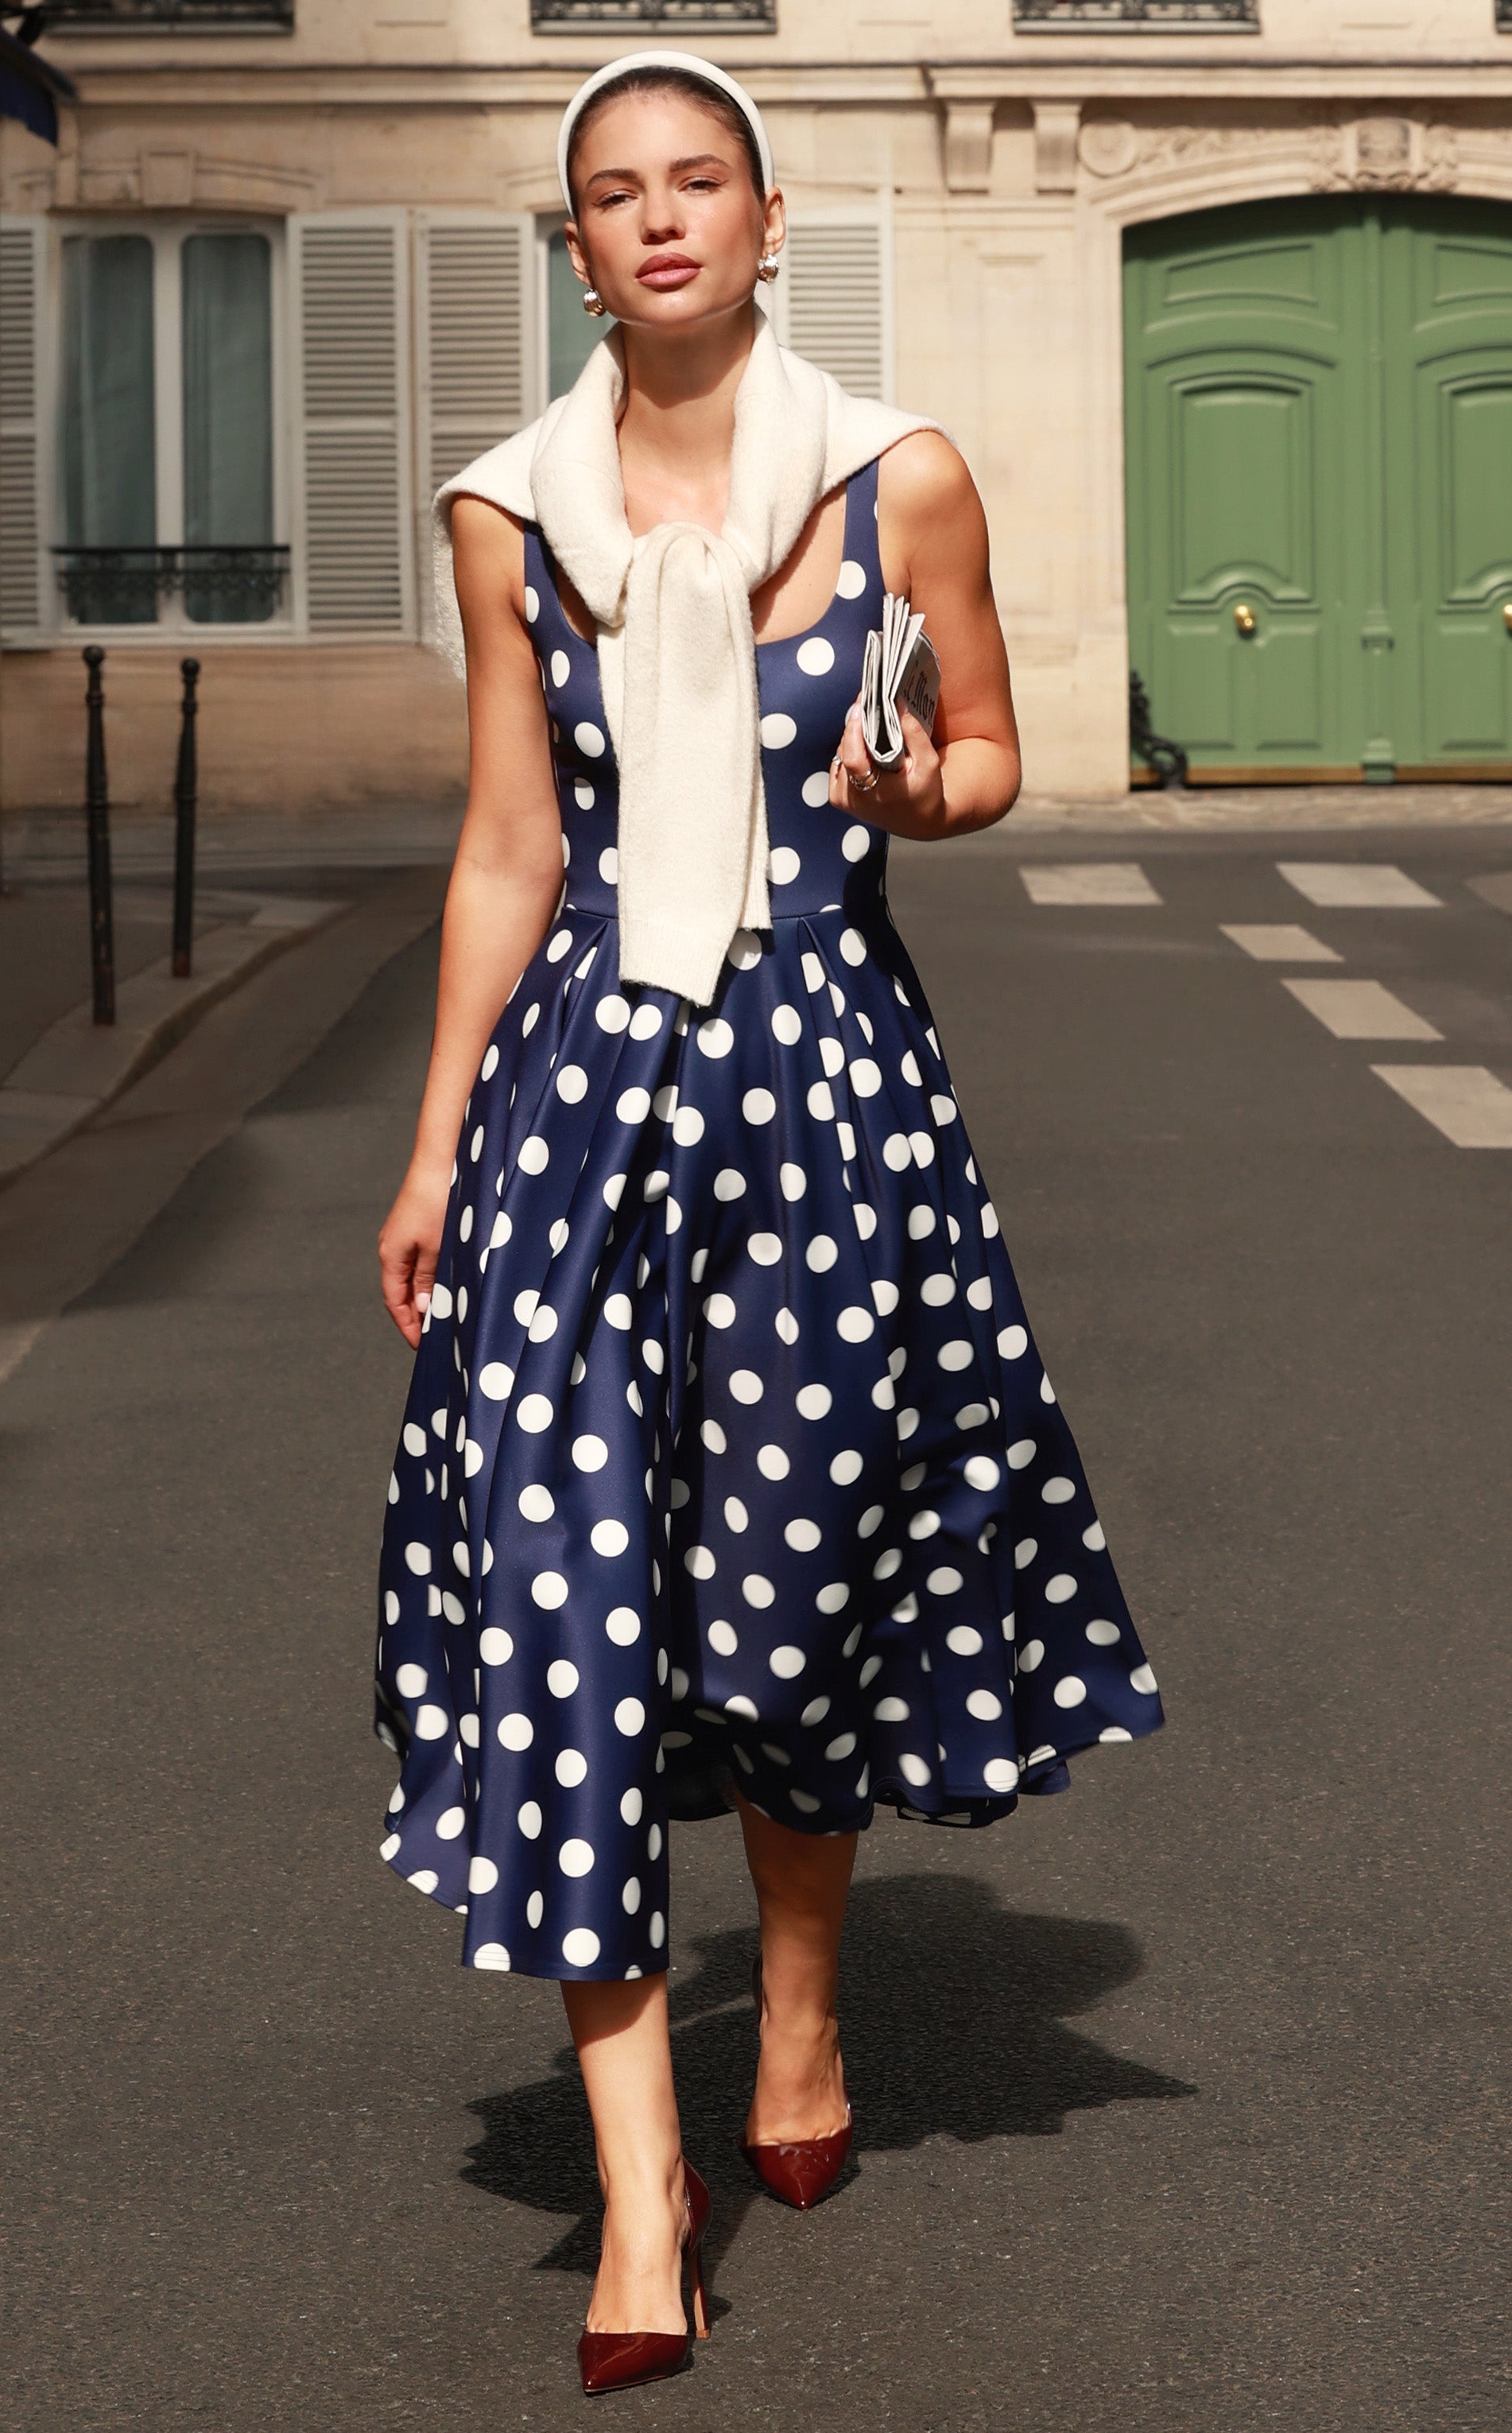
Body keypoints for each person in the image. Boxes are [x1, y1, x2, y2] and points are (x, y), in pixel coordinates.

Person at [373, 50, 1165, 2397]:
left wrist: (926, 786)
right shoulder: (509, 516)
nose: (657, 220)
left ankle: (798, 2021)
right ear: (578, 243)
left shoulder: (898, 474)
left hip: (828, 1104)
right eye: (612, 195)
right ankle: (643, 2193)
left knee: (789, 1590)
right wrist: (429, 1148)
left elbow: (999, 747)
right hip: (575, 1115)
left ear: (768, 209)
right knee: (563, 1604)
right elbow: (513, 843)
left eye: (694, 180)